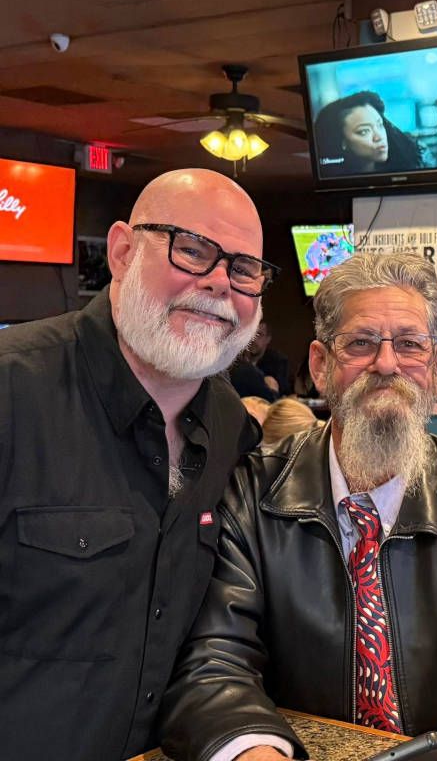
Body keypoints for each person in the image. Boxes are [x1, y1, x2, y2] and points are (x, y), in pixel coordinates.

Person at [158, 252, 437, 761]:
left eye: (410, 344)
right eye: (361, 343)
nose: (387, 364)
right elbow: (214, 659)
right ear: (320, 365)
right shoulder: (252, 491)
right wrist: (253, 749)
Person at [0, 168, 277, 761]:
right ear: (123, 252)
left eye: (244, 269)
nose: (219, 283)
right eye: (193, 250)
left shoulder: (231, 428)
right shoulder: (12, 389)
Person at [313, 91, 427, 175]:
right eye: (364, 131)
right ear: (342, 142)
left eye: (380, 125)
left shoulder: (413, 163)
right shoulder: (331, 178)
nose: (379, 137)